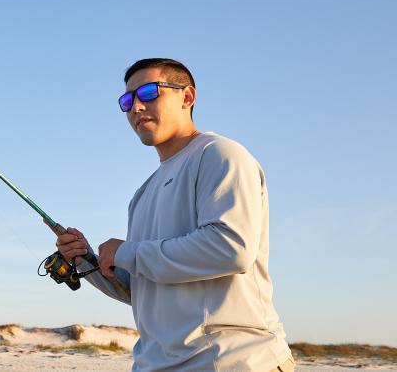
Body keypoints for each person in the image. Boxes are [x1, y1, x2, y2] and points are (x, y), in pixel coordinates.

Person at [55, 58, 293, 371]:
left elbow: (231, 248)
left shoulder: (220, 154)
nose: (136, 107)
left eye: (149, 93)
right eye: (127, 101)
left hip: (232, 361)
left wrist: (126, 251)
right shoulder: (141, 195)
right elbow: (142, 287)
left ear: (187, 96)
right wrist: (88, 258)